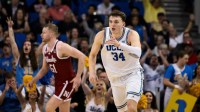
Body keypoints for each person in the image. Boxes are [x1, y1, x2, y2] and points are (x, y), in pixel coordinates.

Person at [89, 10, 144, 112]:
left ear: (123, 24)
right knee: (123, 111)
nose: (112, 24)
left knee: (131, 107)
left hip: (132, 74)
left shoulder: (131, 34)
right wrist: (92, 72)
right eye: (110, 21)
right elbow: (92, 55)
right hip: (114, 79)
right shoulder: (102, 35)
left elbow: (138, 53)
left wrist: (119, 45)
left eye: (116, 22)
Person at [28, 23, 86, 112]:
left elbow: (82, 56)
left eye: (44, 33)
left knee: (49, 108)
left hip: (68, 82)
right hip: (58, 83)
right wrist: (33, 80)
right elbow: (44, 69)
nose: (41, 35)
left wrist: (78, 77)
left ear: (51, 34)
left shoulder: (61, 46)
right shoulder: (45, 49)